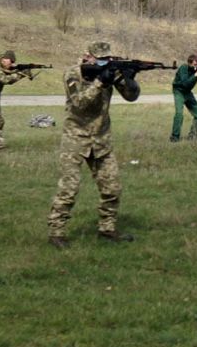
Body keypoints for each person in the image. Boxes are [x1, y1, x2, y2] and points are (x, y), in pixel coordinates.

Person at [48, 41, 139, 246]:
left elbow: (131, 97)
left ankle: (107, 229)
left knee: (112, 187)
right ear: (87, 56)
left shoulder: (110, 71)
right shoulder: (73, 73)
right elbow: (79, 103)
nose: (104, 62)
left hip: (101, 139)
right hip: (75, 139)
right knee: (68, 189)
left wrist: (129, 80)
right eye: (100, 59)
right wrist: (100, 82)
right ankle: (56, 232)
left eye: (107, 59)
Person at [171, 54, 197, 141]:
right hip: (179, 91)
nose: (196, 66)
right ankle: (175, 137)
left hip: (188, 92)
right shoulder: (183, 68)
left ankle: (192, 136)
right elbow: (185, 83)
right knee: (179, 114)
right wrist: (196, 75)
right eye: (194, 65)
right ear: (189, 63)